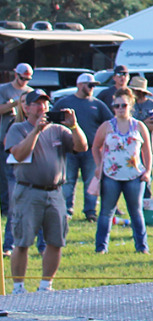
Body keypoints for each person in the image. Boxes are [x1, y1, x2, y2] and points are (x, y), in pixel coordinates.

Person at [5, 89, 86, 291]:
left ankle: (45, 285)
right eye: (38, 103)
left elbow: (82, 147)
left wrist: (74, 126)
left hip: (55, 191)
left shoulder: (58, 130)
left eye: (46, 103)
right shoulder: (18, 129)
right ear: (27, 107)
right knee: (22, 241)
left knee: (56, 240)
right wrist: (36, 131)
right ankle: (19, 288)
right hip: (28, 191)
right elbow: (19, 154)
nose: (43, 107)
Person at [90, 88, 152, 253]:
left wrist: (147, 171)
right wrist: (98, 166)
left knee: (136, 212)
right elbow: (95, 146)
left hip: (134, 175)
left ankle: (142, 247)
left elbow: (147, 149)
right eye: (116, 106)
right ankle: (101, 247)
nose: (120, 109)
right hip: (111, 175)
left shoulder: (139, 126)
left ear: (130, 105)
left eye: (123, 105)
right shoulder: (107, 126)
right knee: (106, 212)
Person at [59, 72, 113, 222]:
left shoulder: (97, 104)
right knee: (68, 180)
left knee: (91, 181)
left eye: (94, 86)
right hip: (69, 150)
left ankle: (90, 211)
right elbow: (54, 119)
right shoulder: (65, 102)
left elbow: (109, 124)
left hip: (91, 150)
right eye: (90, 85)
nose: (92, 88)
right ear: (79, 85)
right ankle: (66, 211)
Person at [0, 63, 33, 256]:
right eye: (22, 78)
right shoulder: (4, 89)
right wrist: (16, 102)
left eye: (28, 79)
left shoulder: (32, 93)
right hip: (6, 144)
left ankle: (40, 245)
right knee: (10, 189)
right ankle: (9, 243)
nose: (25, 82)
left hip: (29, 154)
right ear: (15, 75)